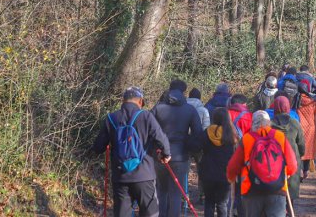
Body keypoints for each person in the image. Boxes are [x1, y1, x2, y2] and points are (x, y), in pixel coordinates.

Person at [92, 87, 171, 217]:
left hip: (121, 177)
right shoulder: (146, 116)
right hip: (144, 176)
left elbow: (98, 147)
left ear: (123, 100)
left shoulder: (111, 118)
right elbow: (161, 138)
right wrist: (166, 154)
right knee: (150, 213)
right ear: (140, 101)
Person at [226, 111, 298, 217]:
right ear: (269, 122)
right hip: (277, 189)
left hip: (251, 191)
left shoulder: (247, 139)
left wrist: (230, 178)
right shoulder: (279, 136)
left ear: (253, 123)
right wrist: (285, 174)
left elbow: (233, 166)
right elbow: (292, 165)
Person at [150, 83, 202, 217]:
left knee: (161, 191)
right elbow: (198, 134)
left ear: (169, 89)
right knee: (175, 193)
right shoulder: (190, 110)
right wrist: (189, 147)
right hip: (180, 156)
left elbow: (148, 130)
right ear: (184, 92)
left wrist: (153, 150)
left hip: (160, 155)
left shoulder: (157, 108)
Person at [194, 108, 237, 217]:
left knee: (209, 202)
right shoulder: (232, 134)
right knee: (222, 204)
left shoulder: (207, 132)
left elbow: (197, 147)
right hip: (225, 174)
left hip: (208, 173)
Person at [270, 96, 305, 200]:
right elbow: (301, 145)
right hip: (292, 160)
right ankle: (290, 208)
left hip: (274, 160)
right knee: (291, 191)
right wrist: (301, 155)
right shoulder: (295, 123)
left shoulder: (269, 124)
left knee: (276, 193)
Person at [296, 84, 316, 181]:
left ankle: (299, 170)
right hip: (311, 129)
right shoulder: (313, 102)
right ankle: (305, 171)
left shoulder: (295, 100)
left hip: (299, 127)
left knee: (299, 149)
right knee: (308, 150)